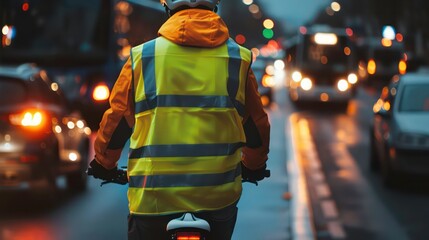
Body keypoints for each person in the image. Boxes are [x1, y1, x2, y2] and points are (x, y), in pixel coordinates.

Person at [88, 0, 270, 239]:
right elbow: (256, 127)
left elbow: (117, 121)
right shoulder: (238, 59)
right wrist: (253, 166)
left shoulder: (142, 57)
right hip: (217, 200)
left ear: (168, 7)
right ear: (214, 5)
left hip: (153, 200)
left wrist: (104, 163)